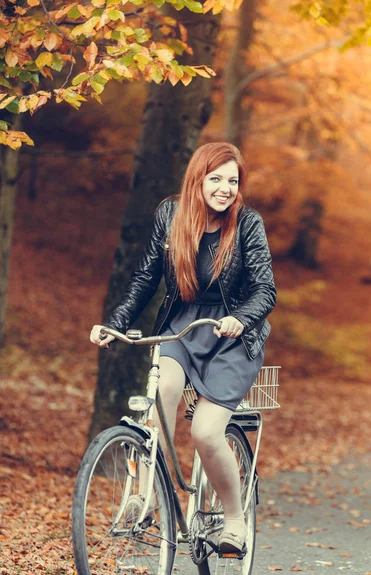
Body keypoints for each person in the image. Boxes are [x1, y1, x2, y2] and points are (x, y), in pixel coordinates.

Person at [90, 142, 276, 552]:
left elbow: (265, 289)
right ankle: (148, 498)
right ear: (197, 179)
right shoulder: (169, 215)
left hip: (231, 337)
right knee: (158, 402)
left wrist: (241, 317)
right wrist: (115, 323)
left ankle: (233, 521)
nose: (226, 188)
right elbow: (145, 279)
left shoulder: (247, 224)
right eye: (216, 179)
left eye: (233, 180)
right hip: (179, 329)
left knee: (207, 433)